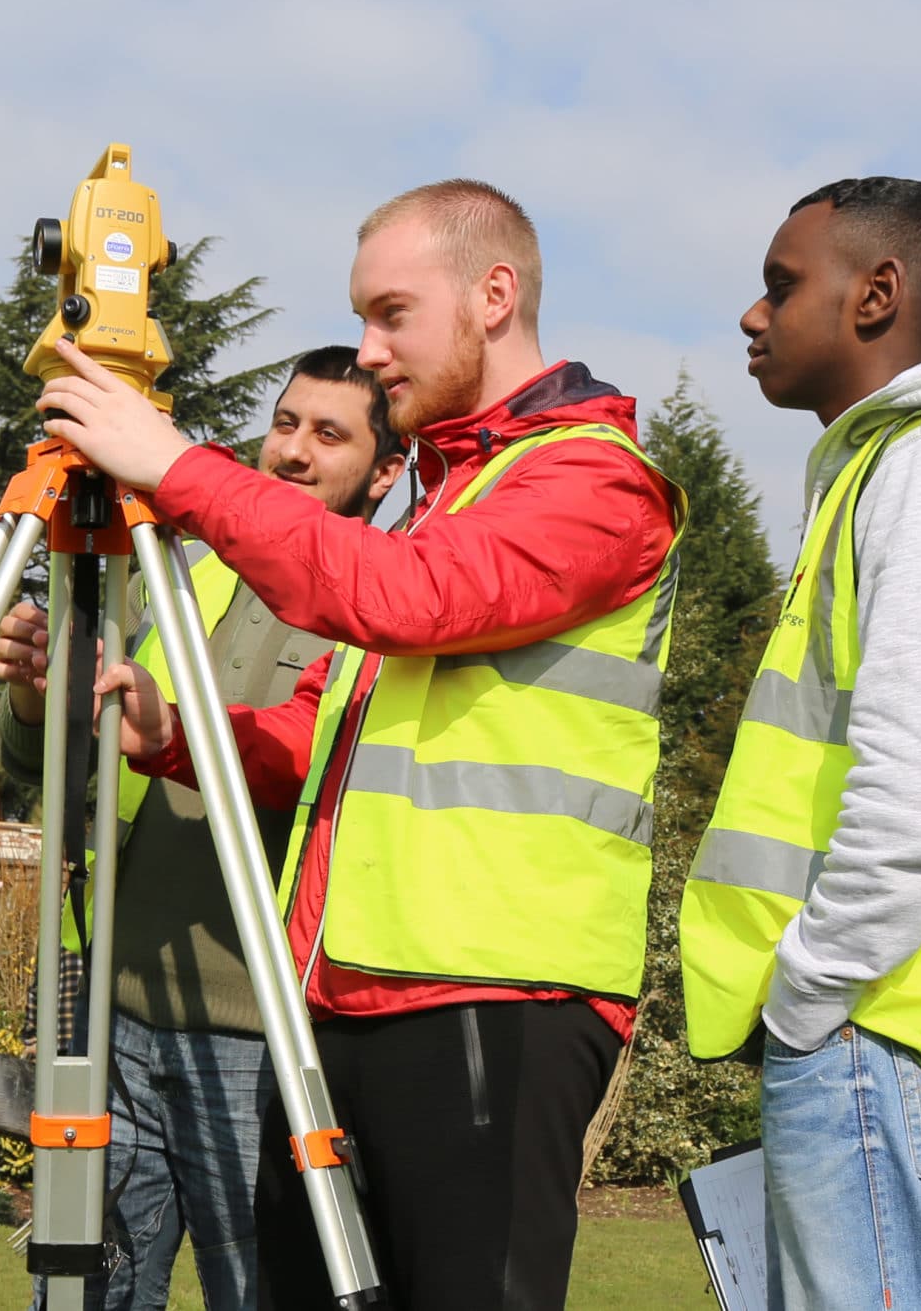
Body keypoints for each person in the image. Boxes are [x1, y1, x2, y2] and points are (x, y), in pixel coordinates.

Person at [34, 180, 686, 1311]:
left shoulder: (589, 478)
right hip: (343, 995)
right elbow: (321, 736)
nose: (371, 350)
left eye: (392, 313)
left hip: (491, 992)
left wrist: (175, 469)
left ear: (493, 295)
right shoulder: (447, 494)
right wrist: (171, 736)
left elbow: (407, 597)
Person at [680, 177, 921, 1311]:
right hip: (878, 1029)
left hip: (873, 1028)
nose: (752, 317)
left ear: (876, 296)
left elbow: (917, 782)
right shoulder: (889, 470)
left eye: (779, 285)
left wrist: (810, 993)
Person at [0, 347, 406, 1311]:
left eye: (331, 434)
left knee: (255, 1291)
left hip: (256, 1038)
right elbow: (56, 771)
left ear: (386, 471)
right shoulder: (189, 577)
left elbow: (303, 765)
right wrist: (32, 696)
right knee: (97, 1288)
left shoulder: (380, 602)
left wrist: (173, 732)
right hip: (115, 1012)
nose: (295, 450)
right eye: (288, 422)